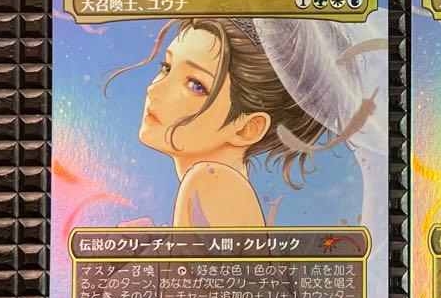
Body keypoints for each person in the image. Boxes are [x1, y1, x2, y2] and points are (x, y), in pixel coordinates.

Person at [105, 15, 324, 226]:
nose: (153, 89)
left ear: (247, 128)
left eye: (196, 85)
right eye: (167, 68)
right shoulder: (224, 190)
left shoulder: (211, 181)